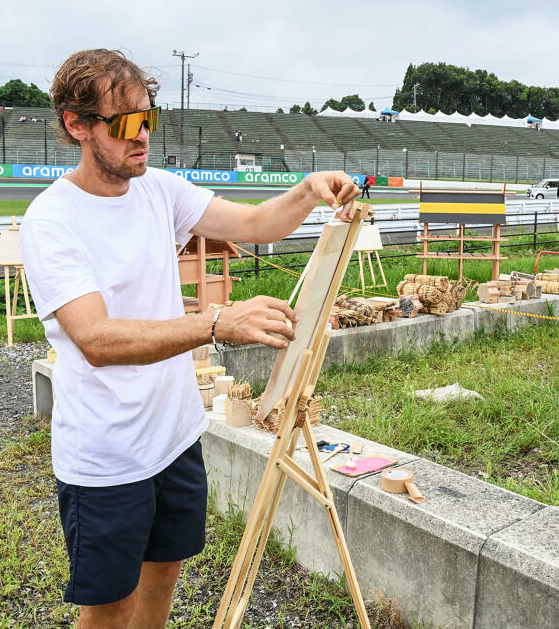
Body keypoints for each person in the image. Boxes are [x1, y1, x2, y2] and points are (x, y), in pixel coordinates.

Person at [19, 49, 359, 629]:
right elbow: (97, 339)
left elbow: (254, 225)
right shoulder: (52, 221)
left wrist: (305, 193)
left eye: (148, 119)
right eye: (124, 123)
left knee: (164, 576)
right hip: (107, 455)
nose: (141, 136)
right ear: (76, 126)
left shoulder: (159, 190)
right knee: (111, 607)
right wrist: (216, 322)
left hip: (174, 437)